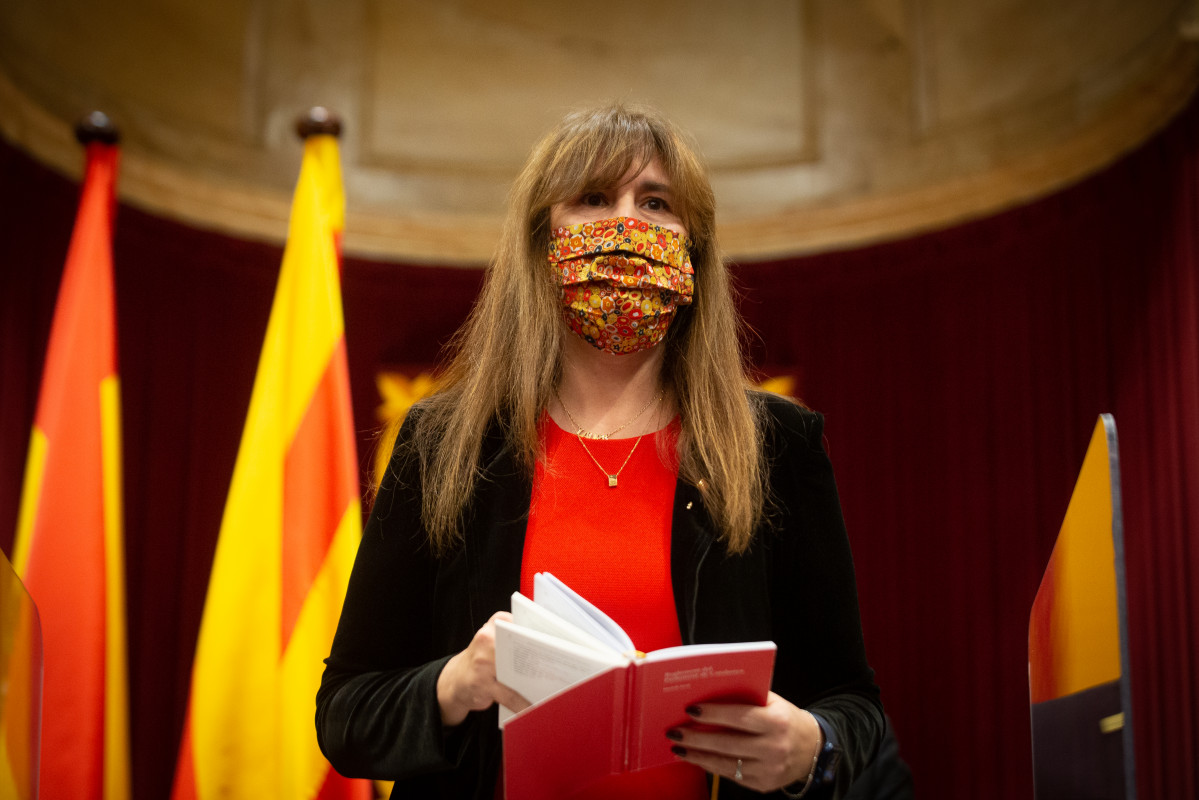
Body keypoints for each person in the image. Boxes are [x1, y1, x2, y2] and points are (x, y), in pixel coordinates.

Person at [316, 103, 884, 799]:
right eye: (591, 198)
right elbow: (345, 715)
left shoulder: (777, 447)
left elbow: (856, 713)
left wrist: (812, 748)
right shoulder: (444, 445)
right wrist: (453, 683)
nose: (626, 225)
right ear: (541, 241)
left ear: (692, 251)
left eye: (656, 202)